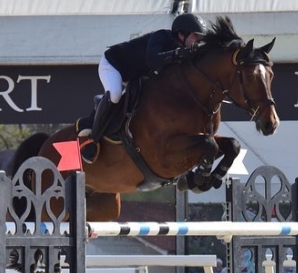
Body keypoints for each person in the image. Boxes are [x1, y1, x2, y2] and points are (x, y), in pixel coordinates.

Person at [78, 13, 208, 163]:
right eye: (196, 37)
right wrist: (178, 53)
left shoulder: (183, 51)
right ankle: (92, 139)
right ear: (181, 34)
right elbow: (153, 60)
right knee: (115, 95)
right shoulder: (161, 37)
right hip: (113, 65)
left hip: (135, 74)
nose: (198, 42)